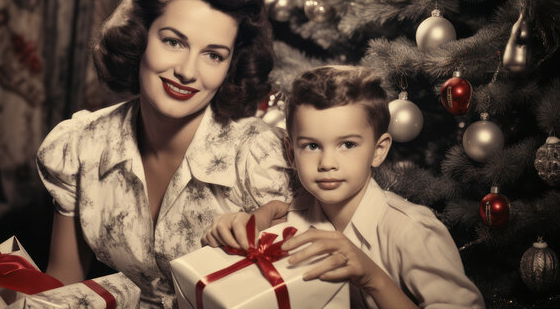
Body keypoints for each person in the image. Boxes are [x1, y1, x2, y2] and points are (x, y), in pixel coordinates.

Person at [36, 0, 294, 308]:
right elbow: (63, 285)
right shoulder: (79, 145)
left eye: (213, 55)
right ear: (139, 37)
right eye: (173, 41)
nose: (188, 71)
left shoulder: (259, 156)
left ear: (232, 65)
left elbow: (294, 289)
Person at [202, 66, 485, 308]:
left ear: (379, 149)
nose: (327, 163)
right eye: (311, 146)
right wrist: (228, 236)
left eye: (347, 145)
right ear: (291, 152)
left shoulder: (412, 230)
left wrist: (372, 279)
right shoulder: (290, 219)